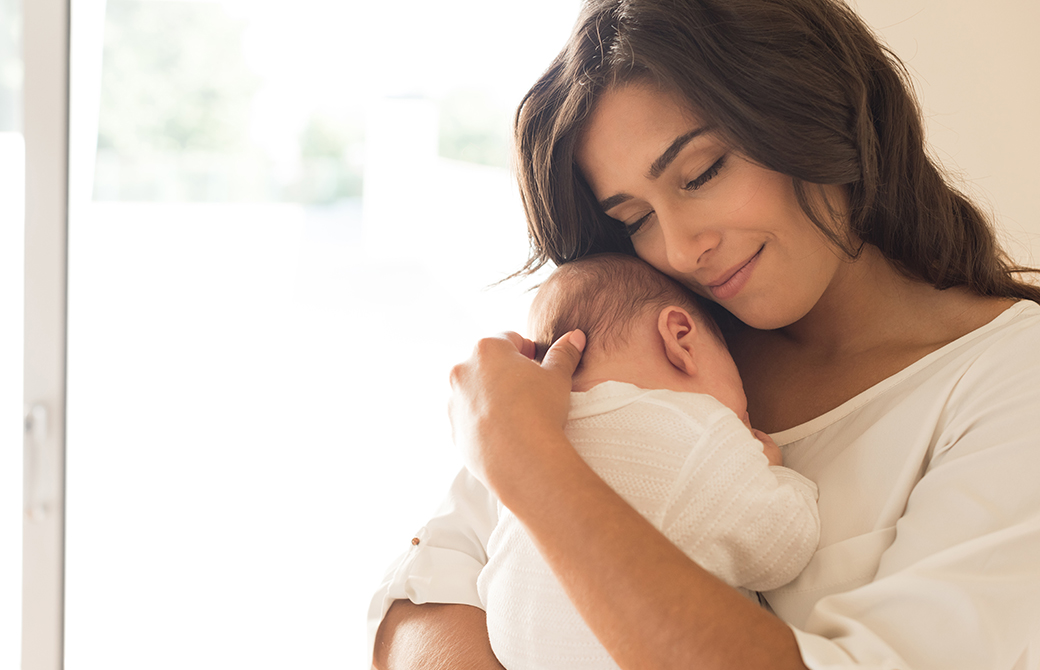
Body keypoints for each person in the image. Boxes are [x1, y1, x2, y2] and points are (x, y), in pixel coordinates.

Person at [371, 0, 1040, 668]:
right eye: (635, 218)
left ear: (812, 108)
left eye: (701, 174)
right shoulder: (649, 343)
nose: (682, 249)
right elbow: (420, 603)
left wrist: (532, 466)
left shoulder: (1010, 378)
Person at [477, 253, 819, 669]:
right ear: (681, 338)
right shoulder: (698, 429)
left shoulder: (531, 439)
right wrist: (776, 472)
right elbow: (783, 549)